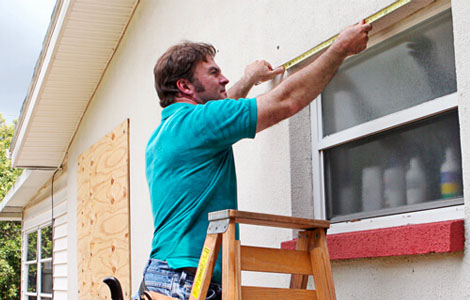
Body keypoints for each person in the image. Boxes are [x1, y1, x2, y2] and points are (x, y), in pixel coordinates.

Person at [138, 20, 373, 300]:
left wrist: (249, 79)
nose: (224, 79)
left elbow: (222, 116)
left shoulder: (164, 134)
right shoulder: (200, 123)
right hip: (188, 280)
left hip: (162, 277)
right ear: (184, 86)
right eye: (214, 73)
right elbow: (286, 100)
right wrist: (340, 49)